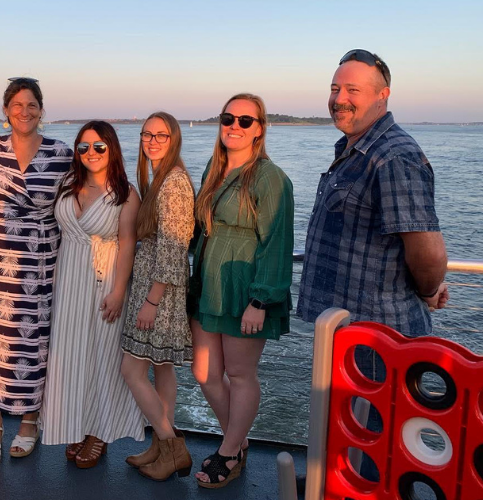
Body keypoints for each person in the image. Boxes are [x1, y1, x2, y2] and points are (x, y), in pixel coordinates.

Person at [296, 49, 449, 481]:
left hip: (380, 337)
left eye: (352, 90)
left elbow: (428, 252)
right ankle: (333, 483)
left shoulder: (392, 155)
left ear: (382, 95)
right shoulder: (354, 148)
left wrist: (426, 289)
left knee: (375, 444)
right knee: (349, 431)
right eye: (335, 88)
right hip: (347, 331)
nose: (340, 98)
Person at [189, 94, 294, 488]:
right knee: (205, 373)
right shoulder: (213, 170)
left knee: (240, 373)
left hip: (243, 289)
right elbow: (198, 230)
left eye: (245, 121)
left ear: (260, 129)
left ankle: (230, 451)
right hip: (209, 286)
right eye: (228, 118)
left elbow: (277, 242)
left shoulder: (269, 177)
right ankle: (239, 437)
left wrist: (260, 300)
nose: (234, 125)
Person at [0, 78, 73, 466]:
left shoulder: (62, 153)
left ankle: (30, 421)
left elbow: (81, 200)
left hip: (42, 260)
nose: (24, 112)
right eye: (17, 105)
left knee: (36, 344)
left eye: (31, 105)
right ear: (6, 111)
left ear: (41, 110)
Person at [39, 121, 144, 468]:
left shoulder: (126, 193)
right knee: (70, 356)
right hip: (69, 280)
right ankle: (76, 424)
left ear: (112, 148)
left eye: (99, 146)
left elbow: (128, 243)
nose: (91, 153)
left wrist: (118, 292)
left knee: (102, 356)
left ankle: (99, 431)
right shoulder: (68, 186)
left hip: (105, 281)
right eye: (83, 147)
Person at [120, 112, 195, 481]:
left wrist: (151, 301)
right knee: (162, 367)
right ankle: (159, 447)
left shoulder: (175, 182)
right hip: (154, 287)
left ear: (174, 139)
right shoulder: (157, 179)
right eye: (147, 134)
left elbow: (173, 248)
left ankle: (172, 445)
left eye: (161, 135)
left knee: (131, 371)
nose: (152, 141)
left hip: (158, 293)